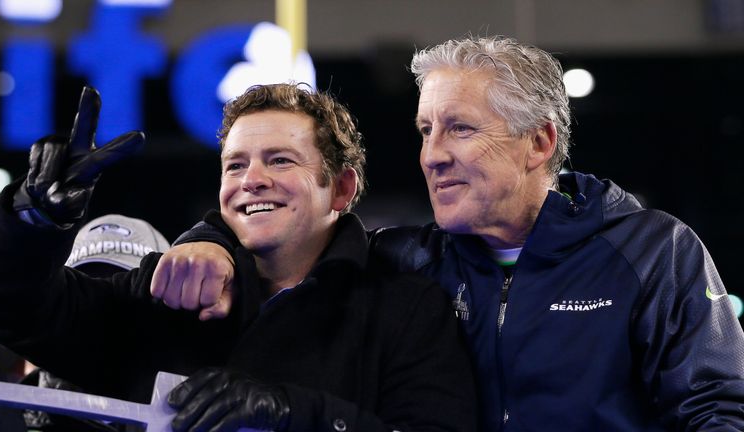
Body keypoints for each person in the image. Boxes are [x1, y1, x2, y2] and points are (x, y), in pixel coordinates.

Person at [157, 36, 744, 431]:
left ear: (538, 143)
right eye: (425, 129)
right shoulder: (407, 258)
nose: (431, 156)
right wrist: (208, 243)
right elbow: (289, 230)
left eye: (458, 129)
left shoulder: (653, 251)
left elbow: (721, 410)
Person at [0, 85, 476, 432]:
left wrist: (290, 414)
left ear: (341, 188)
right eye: (235, 165)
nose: (251, 179)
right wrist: (32, 221)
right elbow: (12, 309)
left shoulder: (404, 308)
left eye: (280, 159)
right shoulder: (165, 289)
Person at [22, 213, 170, 432]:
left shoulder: (197, 412)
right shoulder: (2, 414)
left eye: (122, 295)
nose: (99, 314)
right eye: (84, 293)